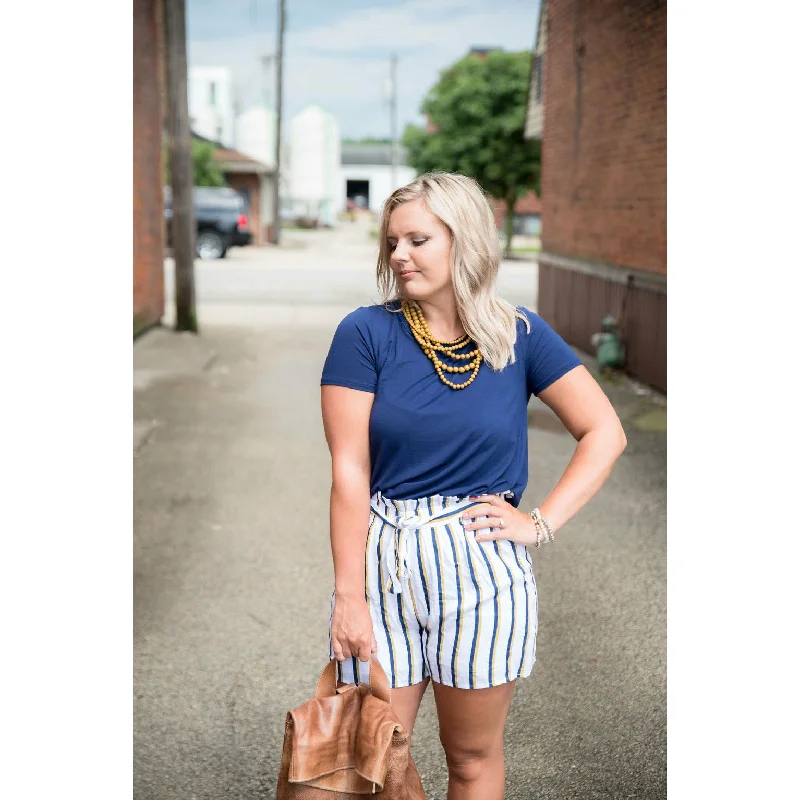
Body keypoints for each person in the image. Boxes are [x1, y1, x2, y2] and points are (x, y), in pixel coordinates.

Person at [320, 172, 626, 799]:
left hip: (483, 568)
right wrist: (348, 597)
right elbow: (349, 472)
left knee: (472, 757)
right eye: (393, 242)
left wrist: (538, 523)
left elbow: (604, 431)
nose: (399, 255)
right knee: (371, 757)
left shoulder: (520, 334)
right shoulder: (364, 334)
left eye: (418, 239)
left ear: (466, 241)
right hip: (388, 565)